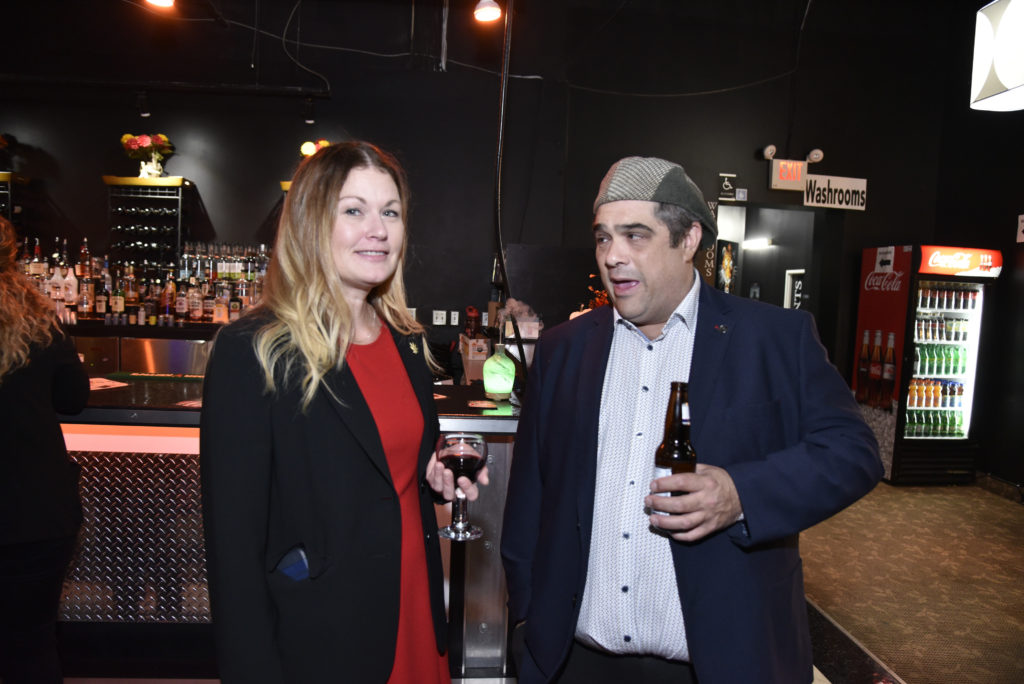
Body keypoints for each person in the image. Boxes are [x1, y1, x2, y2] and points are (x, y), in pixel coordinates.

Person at [501, 156, 882, 683]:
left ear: (688, 240)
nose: (613, 256)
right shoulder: (564, 349)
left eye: (635, 236)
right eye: (603, 237)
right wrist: (526, 620)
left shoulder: (773, 339)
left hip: (722, 665)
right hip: (575, 663)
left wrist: (741, 493)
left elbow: (853, 452)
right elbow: (529, 499)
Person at [200, 141, 486, 683]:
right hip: (326, 631)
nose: (377, 230)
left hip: (414, 606)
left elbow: (386, 465)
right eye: (353, 210)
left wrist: (433, 474)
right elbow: (233, 548)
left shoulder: (406, 341)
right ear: (311, 223)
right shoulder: (255, 349)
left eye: (390, 213)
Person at [0, 216, 90, 683]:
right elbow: (73, 399)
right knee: (31, 645)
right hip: (37, 512)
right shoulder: (37, 319)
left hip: (33, 512)